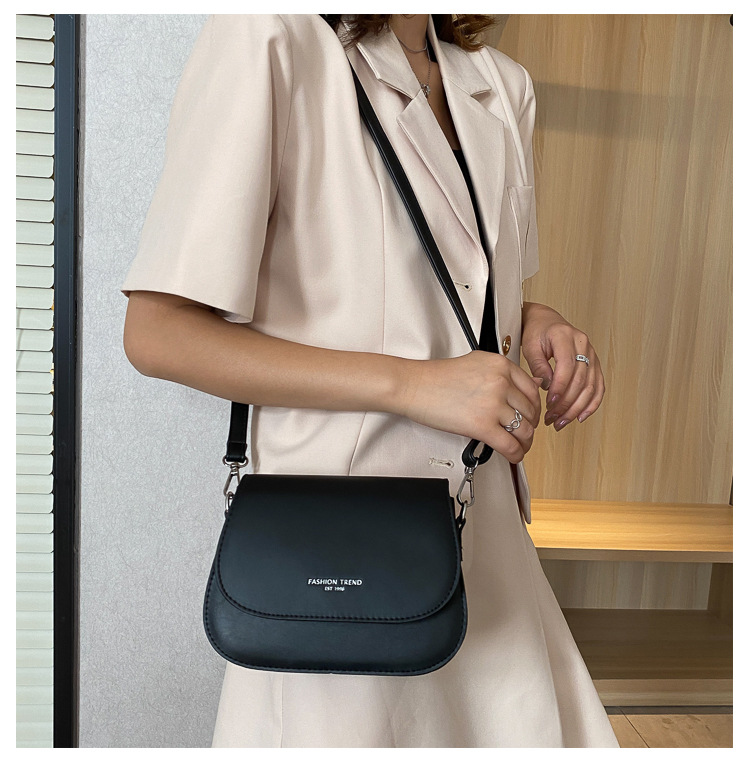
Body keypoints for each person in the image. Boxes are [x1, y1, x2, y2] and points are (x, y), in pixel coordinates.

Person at [120, 13, 617, 749]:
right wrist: (412, 385)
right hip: (341, 560)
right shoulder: (271, 39)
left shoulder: (501, 85)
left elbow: (461, 286)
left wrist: (534, 321)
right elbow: (158, 332)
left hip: (485, 537)